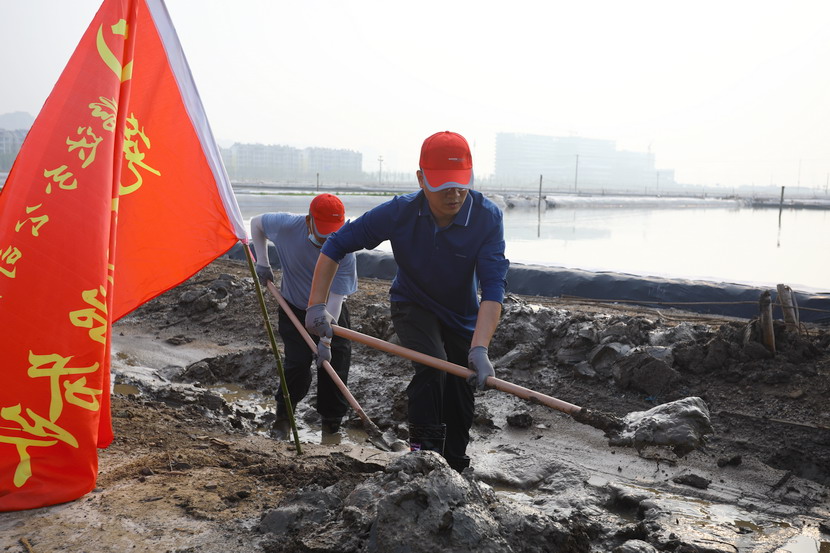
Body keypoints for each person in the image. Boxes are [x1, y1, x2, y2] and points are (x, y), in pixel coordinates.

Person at [305, 131, 509, 472]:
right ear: (421, 179)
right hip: (412, 304)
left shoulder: (487, 217)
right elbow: (335, 245)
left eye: (461, 185)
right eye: (444, 186)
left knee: (462, 385)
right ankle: (423, 456)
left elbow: (492, 288)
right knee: (433, 364)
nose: (454, 194)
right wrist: (316, 305)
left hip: (462, 314)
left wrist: (480, 347)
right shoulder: (400, 212)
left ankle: (455, 465)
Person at [251, 193, 358, 438]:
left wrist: (326, 340)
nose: (328, 241)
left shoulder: (346, 248)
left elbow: (336, 299)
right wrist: (263, 262)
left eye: (333, 233)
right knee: (297, 364)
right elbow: (256, 224)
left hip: (330, 313)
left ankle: (331, 427)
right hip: (294, 307)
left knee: (334, 366)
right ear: (309, 221)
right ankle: (283, 418)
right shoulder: (287, 226)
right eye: (323, 234)